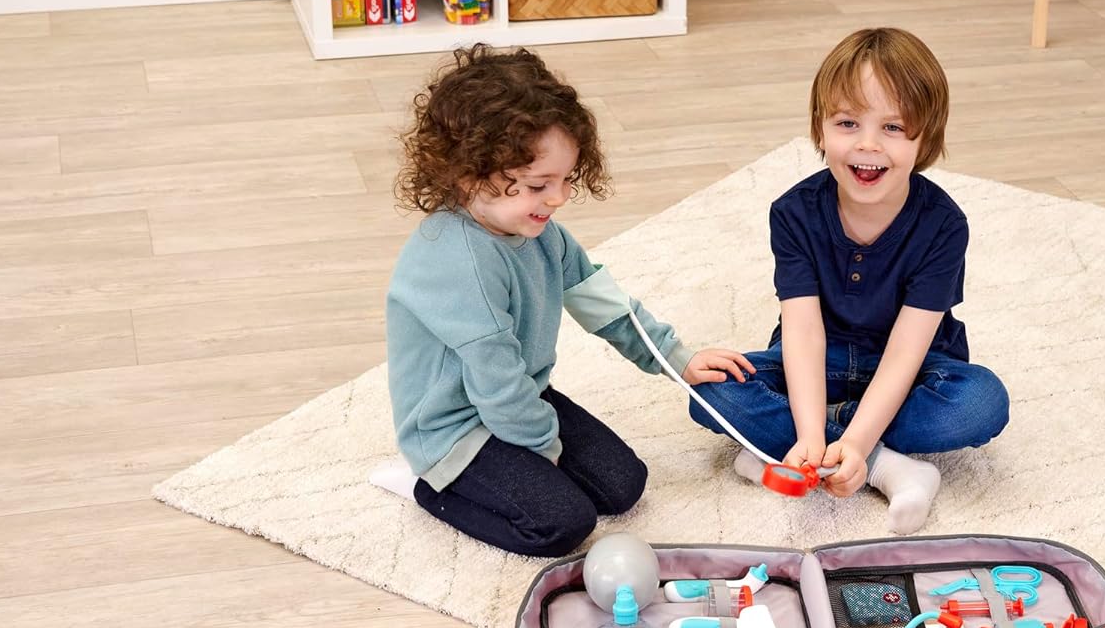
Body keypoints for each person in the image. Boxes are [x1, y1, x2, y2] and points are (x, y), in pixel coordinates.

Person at [387, 44, 753, 556]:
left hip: (522, 396)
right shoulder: (458, 262)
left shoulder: (544, 236)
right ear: (469, 175)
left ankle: (522, 468)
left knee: (623, 486)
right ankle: (430, 488)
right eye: (539, 185)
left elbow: (604, 305)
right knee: (563, 525)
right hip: (455, 428)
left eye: (564, 181)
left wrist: (677, 358)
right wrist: (544, 451)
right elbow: (496, 382)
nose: (557, 199)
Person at [688, 28, 1009, 534]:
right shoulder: (792, 213)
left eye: (893, 127)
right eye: (847, 123)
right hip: (820, 360)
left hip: (913, 365)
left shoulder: (944, 225)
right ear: (820, 129)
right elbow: (803, 332)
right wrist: (811, 433)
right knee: (710, 393)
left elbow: (906, 350)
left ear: (926, 139)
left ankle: (795, 447)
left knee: (980, 404)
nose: (867, 144)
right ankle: (886, 466)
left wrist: (855, 441)